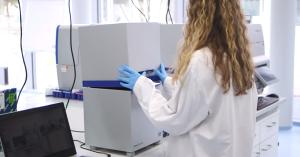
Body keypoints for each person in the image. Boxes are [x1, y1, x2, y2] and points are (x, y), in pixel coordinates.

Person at [118, 0, 258, 156]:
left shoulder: (202, 61)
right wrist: (167, 81)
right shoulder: (239, 61)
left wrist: (142, 86)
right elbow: (206, 97)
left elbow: (174, 118)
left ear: (200, 17)